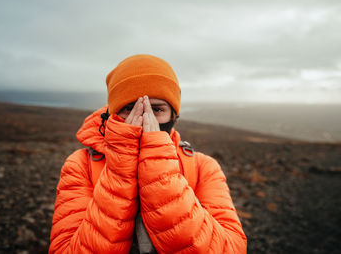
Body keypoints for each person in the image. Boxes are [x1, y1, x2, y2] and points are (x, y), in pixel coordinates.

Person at [49, 54, 247, 253]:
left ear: (173, 116)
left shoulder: (203, 167)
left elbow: (231, 249)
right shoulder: (80, 165)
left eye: (157, 109)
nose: (145, 118)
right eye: (130, 108)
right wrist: (120, 167)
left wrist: (158, 167)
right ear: (112, 115)